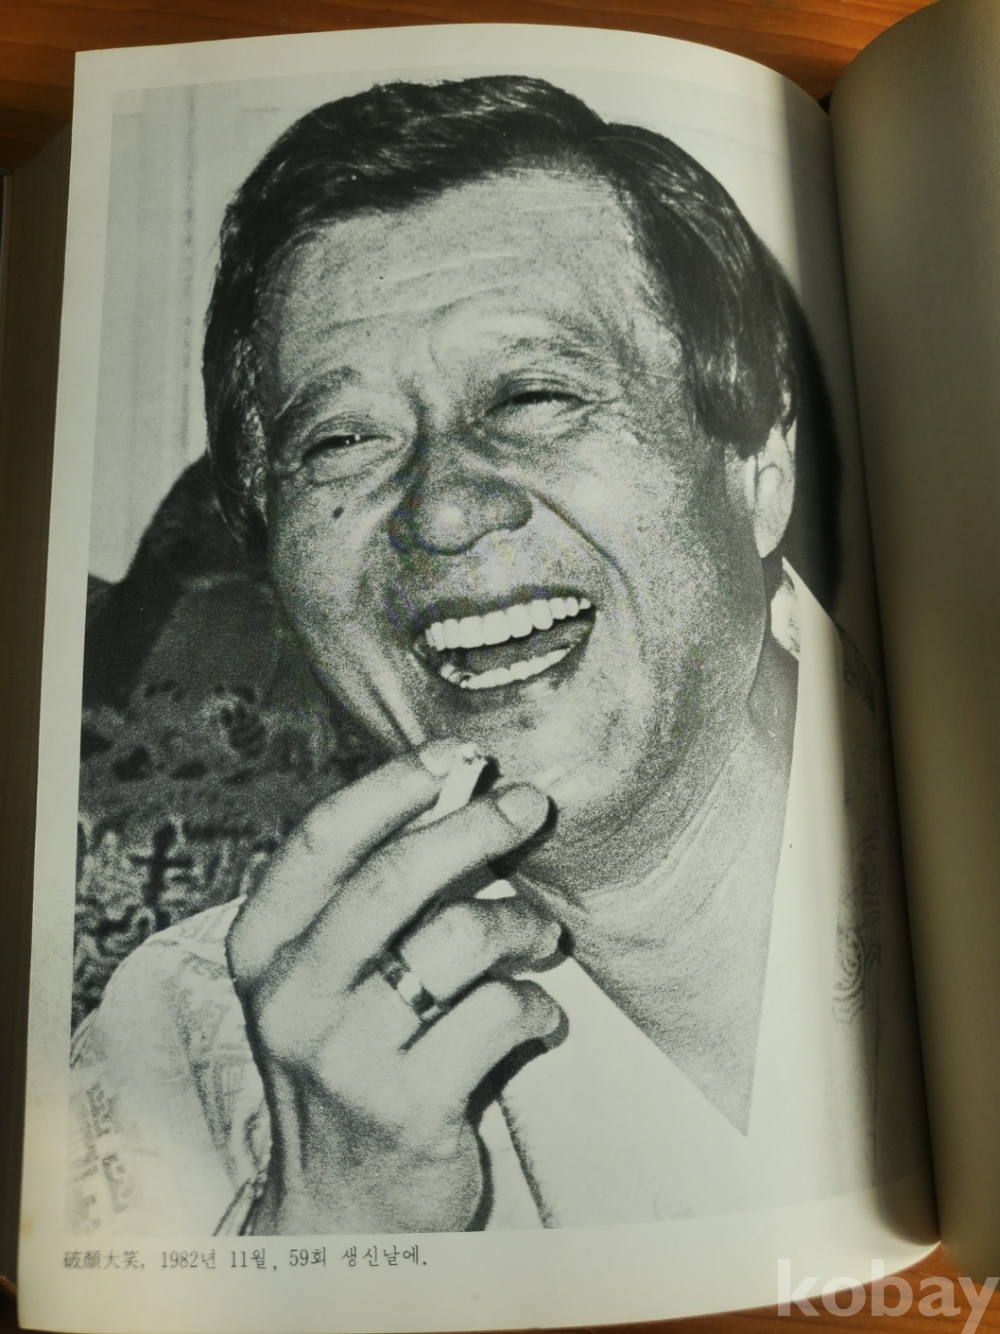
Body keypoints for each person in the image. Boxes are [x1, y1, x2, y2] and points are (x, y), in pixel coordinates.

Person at [69, 74, 880, 1236]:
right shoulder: (194, 1044)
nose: (443, 510)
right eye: (342, 440)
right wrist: (329, 1224)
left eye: (536, 395)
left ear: (757, 470)